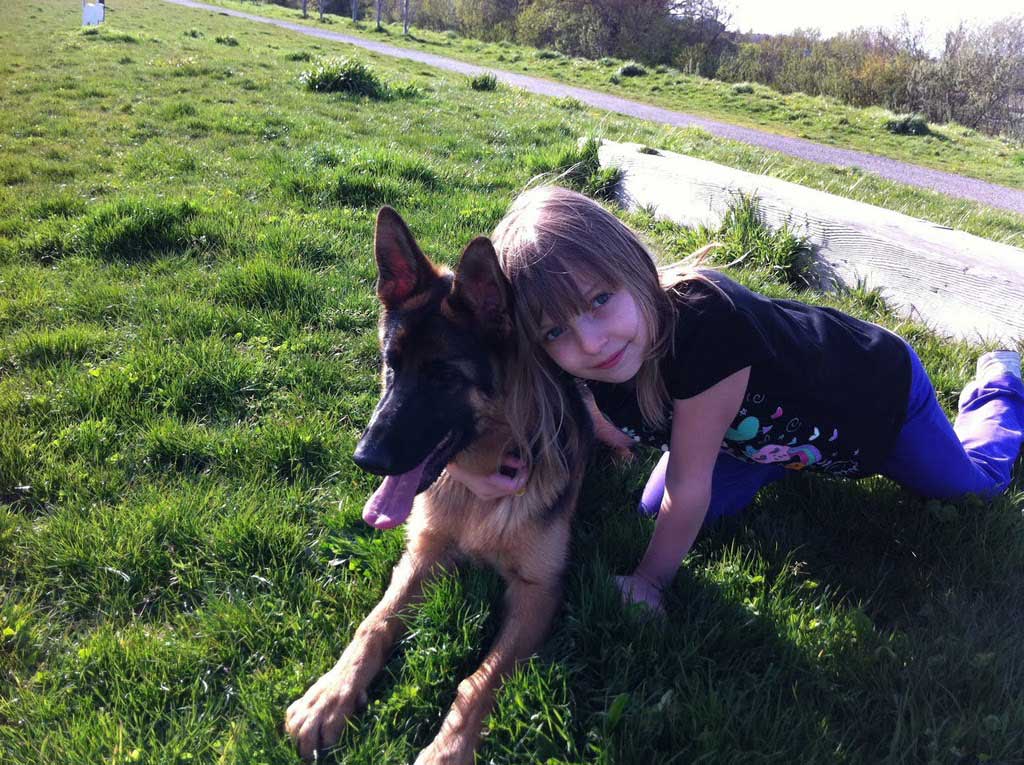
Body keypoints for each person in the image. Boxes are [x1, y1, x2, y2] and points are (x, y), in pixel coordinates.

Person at [445, 186, 1024, 613]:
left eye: (599, 300)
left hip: (874, 400)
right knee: (655, 512)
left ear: (634, 268)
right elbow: (498, 417)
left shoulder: (705, 325)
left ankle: (999, 385)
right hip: (752, 435)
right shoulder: (578, 360)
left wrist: (649, 581)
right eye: (554, 331)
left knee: (973, 490)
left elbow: (689, 484)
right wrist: (468, 473)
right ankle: (780, 455)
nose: (590, 343)